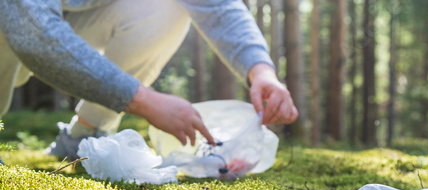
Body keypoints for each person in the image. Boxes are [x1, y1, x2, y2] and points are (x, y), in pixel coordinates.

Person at [0, 0, 298, 160]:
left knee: (164, 6)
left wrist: (260, 70)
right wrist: (142, 100)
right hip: (20, 23)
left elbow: (218, 5)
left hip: (70, 20)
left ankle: (84, 135)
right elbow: (33, 34)